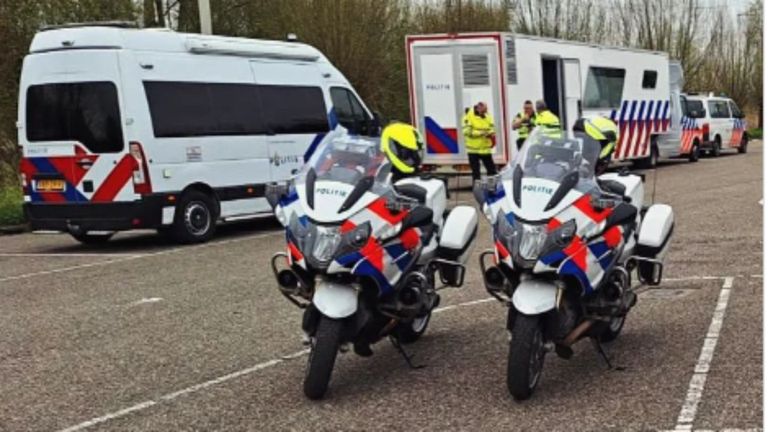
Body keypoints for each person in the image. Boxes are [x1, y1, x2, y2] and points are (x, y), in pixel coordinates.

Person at [462, 102, 497, 182]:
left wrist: (491, 133)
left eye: (486, 110)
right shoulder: (468, 116)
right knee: (476, 173)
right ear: (478, 108)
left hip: (485, 149)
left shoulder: (487, 116)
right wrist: (481, 133)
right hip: (473, 150)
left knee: (492, 171)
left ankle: (492, 188)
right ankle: (477, 190)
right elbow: (466, 131)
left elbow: (492, 127)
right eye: (483, 111)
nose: (485, 113)